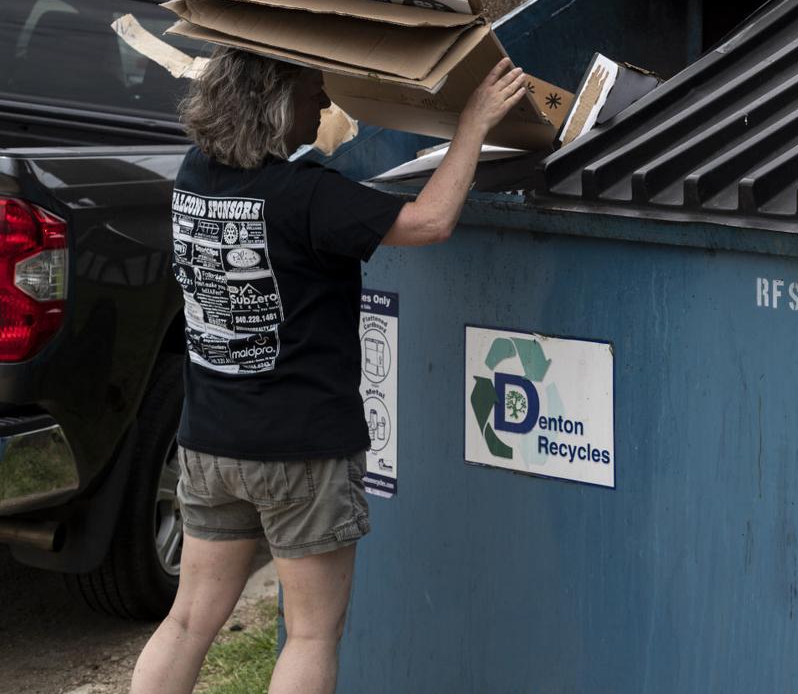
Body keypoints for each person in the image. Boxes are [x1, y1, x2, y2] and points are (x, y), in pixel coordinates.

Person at [131, 50, 527, 694]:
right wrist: (474, 126)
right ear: (276, 102)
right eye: (314, 92)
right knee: (312, 634)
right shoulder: (307, 196)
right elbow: (430, 222)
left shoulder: (193, 174)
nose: (324, 105)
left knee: (187, 623)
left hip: (209, 437)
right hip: (301, 448)